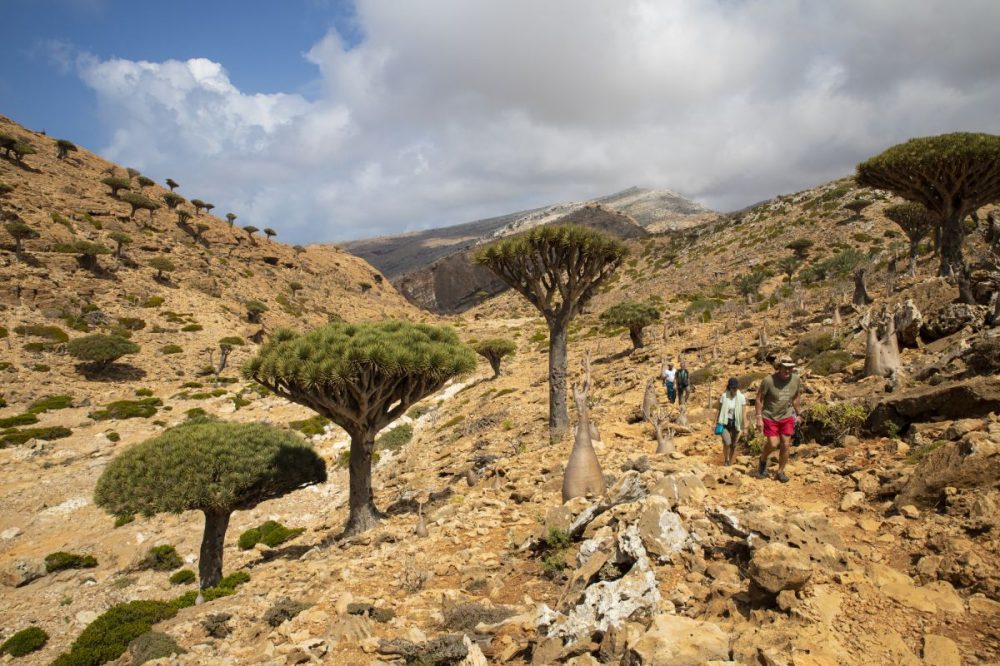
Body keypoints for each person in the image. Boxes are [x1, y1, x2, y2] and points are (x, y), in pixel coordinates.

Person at [754, 355, 803, 482]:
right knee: (773, 443)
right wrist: (759, 417)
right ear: (779, 367)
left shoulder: (796, 379)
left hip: (786, 415)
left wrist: (799, 413)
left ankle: (780, 471)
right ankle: (763, 458)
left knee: (786, 444)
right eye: (785, 368)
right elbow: (759, 399)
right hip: (770, 416)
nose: (788, 371)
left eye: (790, 368)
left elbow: (796, 397)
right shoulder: (768, 381)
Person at [716, 377, 747, 466]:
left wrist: (745, 427)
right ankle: (726, 459)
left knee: (733, 445)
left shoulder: (741, 397)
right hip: (724, 422)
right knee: (727, 442)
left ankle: (730, 459)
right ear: (729, 387)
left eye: (736, 388)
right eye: (733, 388)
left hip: (736, 423)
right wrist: (715, 422)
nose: (735, 389)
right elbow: (719, 409)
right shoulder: (724, 396)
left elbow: (744, 413)